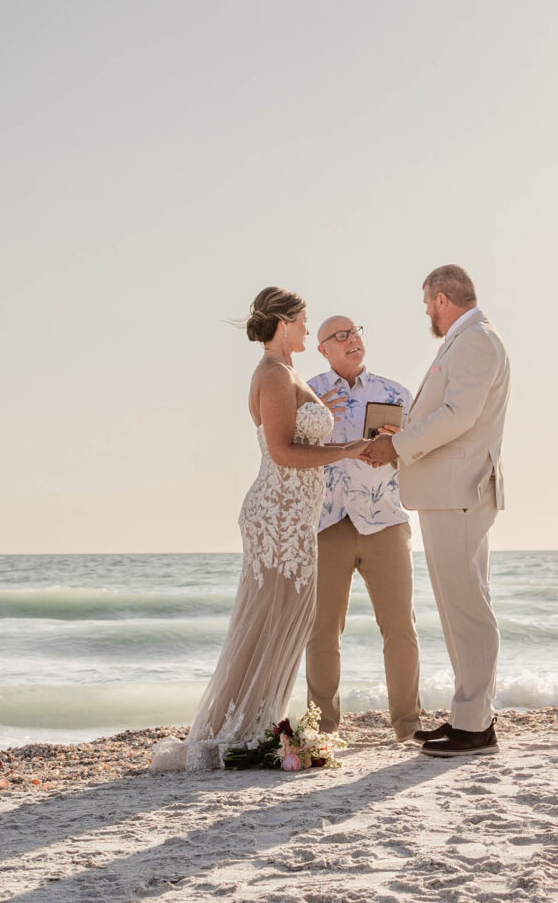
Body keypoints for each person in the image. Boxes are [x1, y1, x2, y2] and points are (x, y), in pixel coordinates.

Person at [150, 287, 368, 772]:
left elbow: (297, 430)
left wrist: (324, 409)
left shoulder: (285, 373)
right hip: (277, 515)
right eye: (305, 320)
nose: (309, 330)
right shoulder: (271, 374)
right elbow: (284, 451)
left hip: (294, 513)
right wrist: (346, 450)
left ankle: (260, 726)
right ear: (284, 321)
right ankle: (239, 733)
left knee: (288, 616)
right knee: (272, 616)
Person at [362, 263, 511, 756]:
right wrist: (399, 434)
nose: (427, 311)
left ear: (443, 298)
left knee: (467, 606)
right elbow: (445, 414)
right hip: (449, 492)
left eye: (428, 302)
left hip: (459, 492)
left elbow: (459, 416)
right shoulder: (466, 341)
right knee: (457, 606)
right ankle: (468, 716)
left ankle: (477, 726)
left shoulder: (475, 341)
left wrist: (399, 446)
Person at [304, 315, 422, 743]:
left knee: (400, 628)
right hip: (327, 522)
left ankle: (408, 725)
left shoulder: (396, 393)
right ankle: (323, 729)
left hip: (386, 522)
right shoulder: (309, 393)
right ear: (322, 349)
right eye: (340, 335)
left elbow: (417, 453)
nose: (351, 339)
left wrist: (398, 445)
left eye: (355, 332)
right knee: (321, 631)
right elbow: (291, 451)